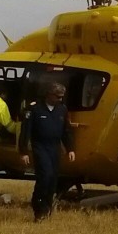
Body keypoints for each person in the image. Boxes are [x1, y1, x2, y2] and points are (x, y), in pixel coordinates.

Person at [20, 82, 76, 222]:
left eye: (62, 97)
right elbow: (25, 132)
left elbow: (66, 131)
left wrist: (70, 149)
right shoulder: (35, 109)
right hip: (40, 146)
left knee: (52, 180)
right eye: (57, 96)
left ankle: (47, 208)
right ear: (49, 95)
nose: (60, 99)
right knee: (45, 176)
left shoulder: (62, 110)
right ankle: (38, 207)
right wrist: (24, 151)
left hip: (55, 148)